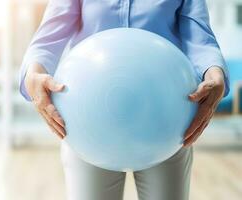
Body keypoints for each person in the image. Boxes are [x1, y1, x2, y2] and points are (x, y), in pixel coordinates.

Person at [19, 0, 229, 199]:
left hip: (166, 120)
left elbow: (201, 41)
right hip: (89, 124)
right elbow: (47, 40)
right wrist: (33, 74)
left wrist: (215, 72)